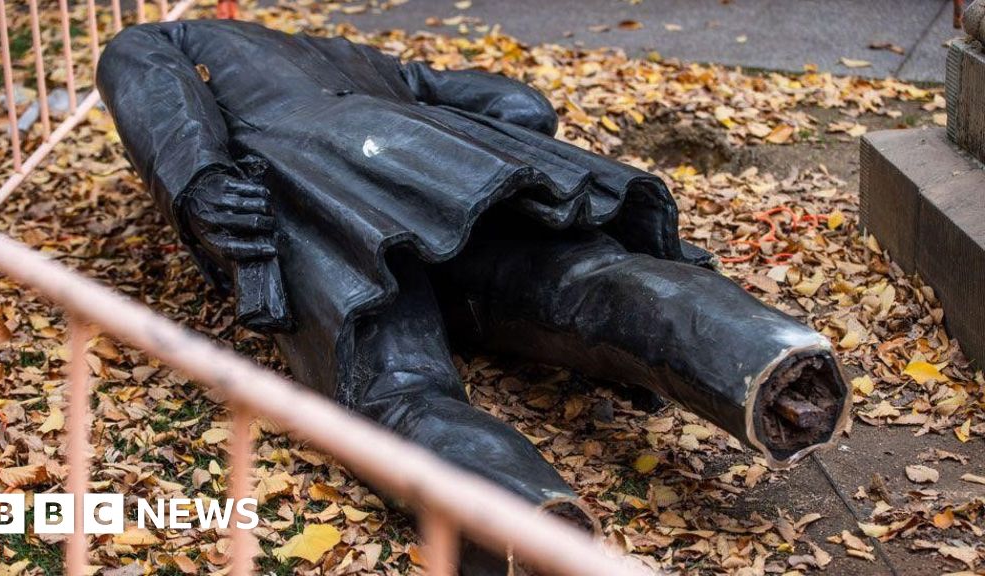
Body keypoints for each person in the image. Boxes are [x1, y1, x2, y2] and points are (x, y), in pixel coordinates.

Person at [98, 20, 849, 574]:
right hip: (443, 168)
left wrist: (196, 179)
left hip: (315, 182)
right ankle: (767, 358)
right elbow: (517, 106)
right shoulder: (359, 55)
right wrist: (468, 159)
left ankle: (517, 524)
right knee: (582, 282)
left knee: (393, 386)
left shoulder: (187, 38)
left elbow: (137, 63)